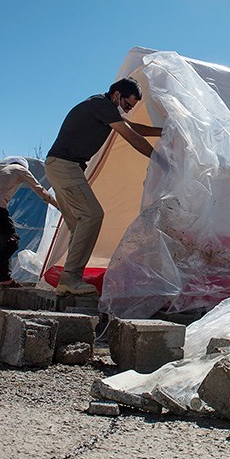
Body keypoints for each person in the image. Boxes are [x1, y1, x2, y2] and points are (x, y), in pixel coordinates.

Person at [45, 77, 163, 295]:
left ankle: (67, 281)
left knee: (78, 224)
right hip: (65, 166)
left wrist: (162, 131)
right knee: (92, 216)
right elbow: (130, 135)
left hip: (61, 166)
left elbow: (133, 127)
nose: (126, 110)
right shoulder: (102, 104)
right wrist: (159, 159)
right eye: (126, 105)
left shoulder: (104, 108)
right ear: (116, 94)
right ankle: (70, 278)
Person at [0, 156, 59, 295]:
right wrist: (58, 206)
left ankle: (5, 279)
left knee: (4, 244)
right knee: (12, 243)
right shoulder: (21, 170)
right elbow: (39, 189)